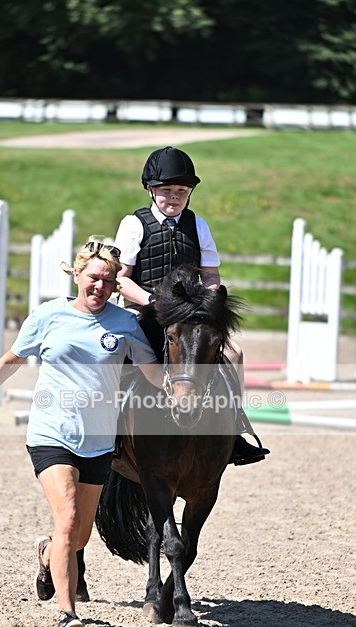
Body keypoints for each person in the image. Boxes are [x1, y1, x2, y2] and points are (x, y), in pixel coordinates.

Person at [0, 238, 163, 627]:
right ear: (77, 275)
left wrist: (186, 386)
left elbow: (152, 371)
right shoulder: (48, 315)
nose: (99, 286)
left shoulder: (124, 324)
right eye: (93, 278)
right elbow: (10, 361)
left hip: (98, 442)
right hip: (51, 434)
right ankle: (68, 614)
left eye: (108, 281)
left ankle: (47, 554)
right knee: (69, 521)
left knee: (78, 536)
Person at [113, 145, 269, 467]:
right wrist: (153, 300)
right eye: (166, 190)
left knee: (234, 354)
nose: (174, 197)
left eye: (181, 191)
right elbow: (121, 279)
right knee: (113, 353)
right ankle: (109, 433)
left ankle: (234, 428)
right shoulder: (134, 224)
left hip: (187, 316)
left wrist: (207, 300)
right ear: (150, 189)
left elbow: (211, 274)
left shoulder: (198, 225)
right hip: (143, 311)